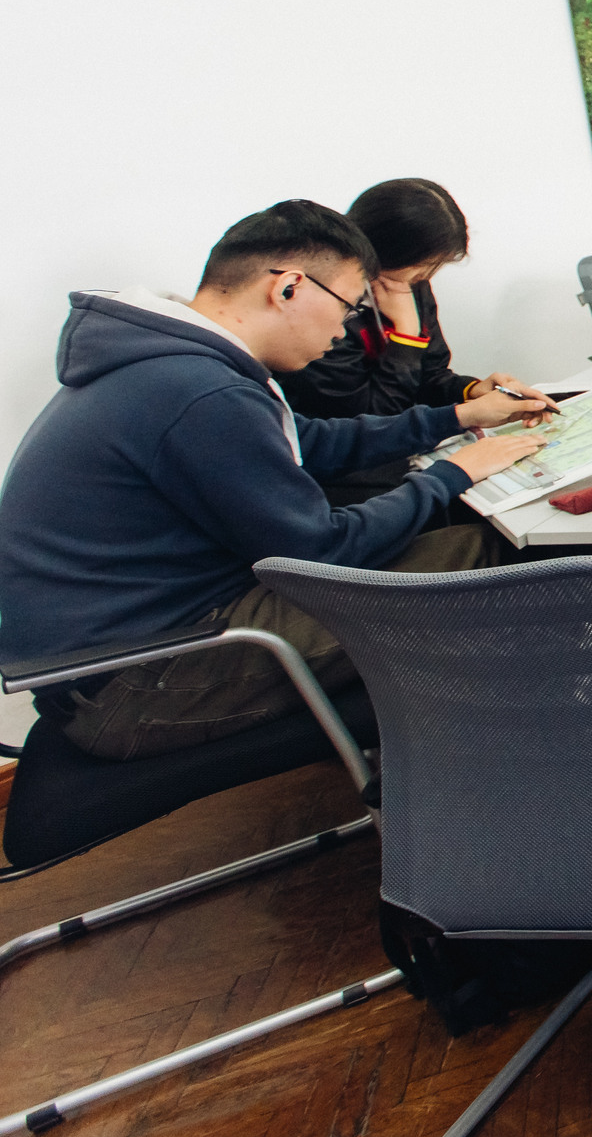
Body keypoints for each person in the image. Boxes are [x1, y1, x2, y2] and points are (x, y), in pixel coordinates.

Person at [0, 201, 553, 760]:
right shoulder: (199, 391)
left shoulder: (175, 363)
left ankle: (451, 749)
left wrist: (456, 417)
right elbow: (324, 551)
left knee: (444, 543)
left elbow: (307, 442)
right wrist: (452, 473)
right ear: (288, 288)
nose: (343, 329)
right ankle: (505, 763)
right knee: (492, 555)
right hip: (139, 681)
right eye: (348, 307)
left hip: (129, 651)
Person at [278, 179, 553, 502]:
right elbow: (371, 422)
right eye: (422, 267)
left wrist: (474, 391)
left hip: (413, 456)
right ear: (379, 253)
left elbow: (430, 376)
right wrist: (406, 335)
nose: (426, 277)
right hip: (352, 484)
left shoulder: (410, 287)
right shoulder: (322, 314)